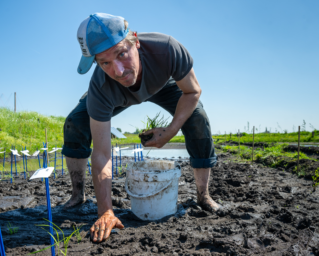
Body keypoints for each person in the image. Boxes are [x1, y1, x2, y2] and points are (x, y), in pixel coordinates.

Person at [62, 13, 221, 243]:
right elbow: (102, 153)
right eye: (105, 62)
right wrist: (105, 210)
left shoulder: (166, 49)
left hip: (162, 84)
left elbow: (193, 91)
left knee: (197, 118)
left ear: (135, 41)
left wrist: (170, 131)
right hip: (116, 94)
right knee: (75, 122)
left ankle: (203, 195)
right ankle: (78, 195)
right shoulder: (102, 85)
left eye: (122, 54)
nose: (118, 71)